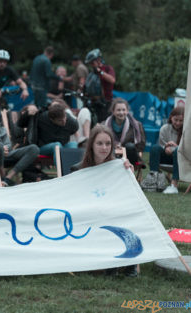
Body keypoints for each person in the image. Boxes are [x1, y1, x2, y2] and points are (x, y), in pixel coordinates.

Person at [79, 124, 137, 277]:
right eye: (99, 143)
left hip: (113, 210)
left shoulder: (118, 167)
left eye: (108, 143)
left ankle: (129, 265)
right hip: (90, 213)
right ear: (91, 145)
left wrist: (128, 175)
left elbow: (129, 195)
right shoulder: (80, 170)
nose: (104, 148)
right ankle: (112, 265)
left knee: (126, 215)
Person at [142, 106, 184, 194]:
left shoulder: (187, 131)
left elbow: (186, 149)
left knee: (177, 151)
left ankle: (174, 185)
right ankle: (154, 181)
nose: (178, 123)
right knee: (154, 148)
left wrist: (175, 148)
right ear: (171, 117)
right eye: (175, 120)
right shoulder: (164, 128)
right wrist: (166, 147)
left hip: (181, 160)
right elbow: (161, 145)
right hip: (167, 157)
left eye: (181, 121)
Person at [104, 98, 145, 166]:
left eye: (123, 110)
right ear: (113, 111)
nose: (121, 112)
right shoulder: (104, 125)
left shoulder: (136, 125)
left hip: (132, 159)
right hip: (112, 155)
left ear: (127, 111)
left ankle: (130, 169)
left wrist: (122, 148)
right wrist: (114, 147)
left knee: (130, 146)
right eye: (118, 110)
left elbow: (141, 144)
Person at [84, 48, 115, 122]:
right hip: (94, 104)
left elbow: (112, 80)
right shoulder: (92, 73)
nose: (91, 65)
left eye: (92, 62)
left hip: (105, 103)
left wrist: (100, 71)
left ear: (98, 60)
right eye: (90, 63)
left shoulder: (107, 68)